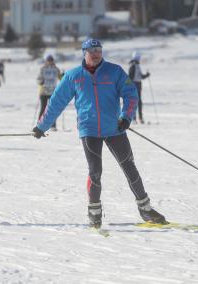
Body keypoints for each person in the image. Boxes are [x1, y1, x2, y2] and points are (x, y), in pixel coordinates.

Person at [32, 39, 166, 228]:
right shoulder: (73, 76)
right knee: (95, 172)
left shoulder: (115, 71)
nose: (96, 54)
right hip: (89, 130)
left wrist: (126, 116)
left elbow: (131, 94)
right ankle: (94, 211)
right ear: (84, 53)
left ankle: (145, 209)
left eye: (99, 50)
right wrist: (42, 126)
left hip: (114, 128)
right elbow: (56, 102)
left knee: (129, 167)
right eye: (92, 51)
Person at [37, 54, 62, 130]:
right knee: (43, 108)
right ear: (46, 61)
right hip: (44, 92)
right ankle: (39, 124)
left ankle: (53, 125)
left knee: (52, 109)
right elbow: (39, 78)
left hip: (53, 92)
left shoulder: (56, 69)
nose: (50, 62)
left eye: (51, 61)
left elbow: (60, 78)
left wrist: (63, 76)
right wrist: (41, 81)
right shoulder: (43, 69)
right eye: (48, 61)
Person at [128, 51, 150, 124]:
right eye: (139, 58)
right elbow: (130, 77)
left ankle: (140, 118)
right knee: (135, 101)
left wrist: (146, 75)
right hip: (134, 85)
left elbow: (140, 76)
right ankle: (134, 118)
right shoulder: (133, 65)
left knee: (139, 101)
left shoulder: (137, 65)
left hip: (139, 84)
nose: (139, 59)